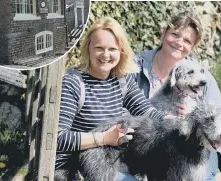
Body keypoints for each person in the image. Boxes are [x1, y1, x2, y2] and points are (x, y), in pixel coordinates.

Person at [55, 17, 169, 181]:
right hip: (72, 168)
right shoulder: (73, 82)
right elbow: (58, 138)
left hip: (108, 164)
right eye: (99, 48)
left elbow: (145, 110)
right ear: (88, 48)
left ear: (121, 50)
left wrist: (169, 119)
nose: (106, 55)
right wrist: (103, 138)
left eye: (112, 49)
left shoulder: (121, 79)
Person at [133, 10, 221, 180]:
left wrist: (193, 119)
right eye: (175, 34)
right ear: (164, 32)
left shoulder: (203, 79)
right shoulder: (135, 67)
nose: (179, 43)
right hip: (148, 148)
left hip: (194, 154)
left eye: (187, 40)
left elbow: (218, 121)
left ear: (193, 46)